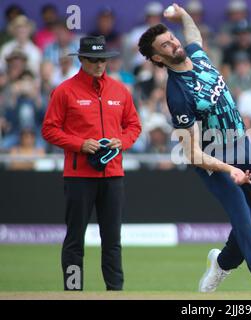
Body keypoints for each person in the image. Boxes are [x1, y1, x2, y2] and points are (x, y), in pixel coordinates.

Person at [138, 4, 251, 293]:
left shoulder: (197, 56)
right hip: (212, 158)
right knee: (241, 216)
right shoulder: (177, 94)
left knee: (250, 227)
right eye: (165, 45)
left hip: (241, 145)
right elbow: (192, 153)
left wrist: (181, 15)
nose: (173, 43)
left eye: (172, 38)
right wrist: (229, 168)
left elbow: (193, 34)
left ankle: (221, 264)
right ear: (158, 58)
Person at [41, 36, 142, 291]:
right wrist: (79, 144)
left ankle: (115, 293)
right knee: (75, 238)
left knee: (112, 240)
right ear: (82, 60)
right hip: (79, 176)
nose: (100, 65)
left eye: (104, 60)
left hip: (113, 175)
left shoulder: (120, 90)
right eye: (94, 60)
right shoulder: (64, 90)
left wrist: (122, 141)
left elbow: (134, 125)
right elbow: (49, 130)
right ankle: (73, 291)